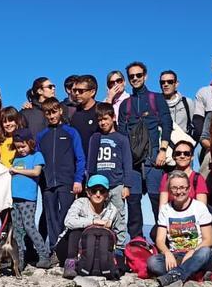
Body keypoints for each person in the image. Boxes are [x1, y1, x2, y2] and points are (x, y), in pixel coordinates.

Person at [117, 61, 172, 237]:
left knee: (158, 203)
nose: (135, 79)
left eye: (138, 75)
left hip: (154, 158)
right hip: (132, 162)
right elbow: (122, 135)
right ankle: (136, 243)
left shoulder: (157, 99)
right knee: (133, 204)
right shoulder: (125, 104)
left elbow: (167, 125)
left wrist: (163, 151)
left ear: (145, 76)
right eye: (131, 76)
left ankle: (162, 242)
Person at [148, 170, 212, 287]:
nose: (179, 191)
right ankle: (190, 273)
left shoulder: (199, 207)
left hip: (197, 253)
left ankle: (175, 275)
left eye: (182, 187)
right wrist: (167, 253)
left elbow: (208, 240)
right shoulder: (165, 209)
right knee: (153, 262)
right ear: (170, 190)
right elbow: (160, 240)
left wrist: (192, 252)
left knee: (205, 252)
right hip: (176, 255)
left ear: (189, 189)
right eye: (174, 188)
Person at [37, 97, 86, 258]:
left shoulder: (71, 132)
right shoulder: (41, 136)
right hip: (47, 183)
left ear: (60, 111)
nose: (51, 116)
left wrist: (78, 179)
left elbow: (80, 158)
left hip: (67, 181)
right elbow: (37, 159)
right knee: (51, 218)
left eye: (53, 112)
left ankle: (67, 251)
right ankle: (54, 250)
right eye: (47, 113)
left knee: (66, 216)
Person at [87, 103, 133, 239]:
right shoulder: (94, 138)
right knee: (99, 217)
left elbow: (127, 163)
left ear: (113, 118)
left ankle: (119, 248)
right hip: (99, 187)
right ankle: (101, 246)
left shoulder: (122, 139)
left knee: (119, 217)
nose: (102, 122)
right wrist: (88, 183)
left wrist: (127, 185)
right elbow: (90, 162)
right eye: (100, 120)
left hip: (117, 184)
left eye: (105, 118)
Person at [60, 174, 120, 277]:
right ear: (88, 192)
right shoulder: (80, 203)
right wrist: (93, 221)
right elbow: (68, 222)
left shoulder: (112, 210)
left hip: (93, 248)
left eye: (102, 191)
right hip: (68, 245)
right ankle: (71, 262)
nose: (98, 194)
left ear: (107, 194)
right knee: (77, 230)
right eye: (94, 190)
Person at [10, 129, 51, 269]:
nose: (21, 150)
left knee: (29, 227)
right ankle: (19, 260)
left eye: (23, 146)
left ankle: (44, 255)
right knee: (17, 229)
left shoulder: (37, 155)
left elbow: (36, 172)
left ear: (30, 143)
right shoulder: (16, 158)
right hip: (14, 198)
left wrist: (16, 170)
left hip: (28, 199)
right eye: (18, 147)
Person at [158, 140, 207, 209]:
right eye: (178, 153)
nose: (182, 156)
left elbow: (202, 209)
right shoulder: (166, 177)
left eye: (186, 153)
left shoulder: (198, 178)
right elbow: (163, 208)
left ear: (192, 157)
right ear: (173, 156)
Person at [158, 70, 196, 138]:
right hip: (162, 146)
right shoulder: (155, 104)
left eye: (170, 82)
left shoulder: (187, 103)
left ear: (176, 83)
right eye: (162, 82)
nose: (166, 84)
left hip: (183, 145)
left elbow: (195, 127)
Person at [67, 75, 100, 149]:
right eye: (75, 90)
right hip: (79, 159)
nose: (77, 93)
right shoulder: (73, 113)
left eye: (81, 91)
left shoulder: (100, 110)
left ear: (92, 92)